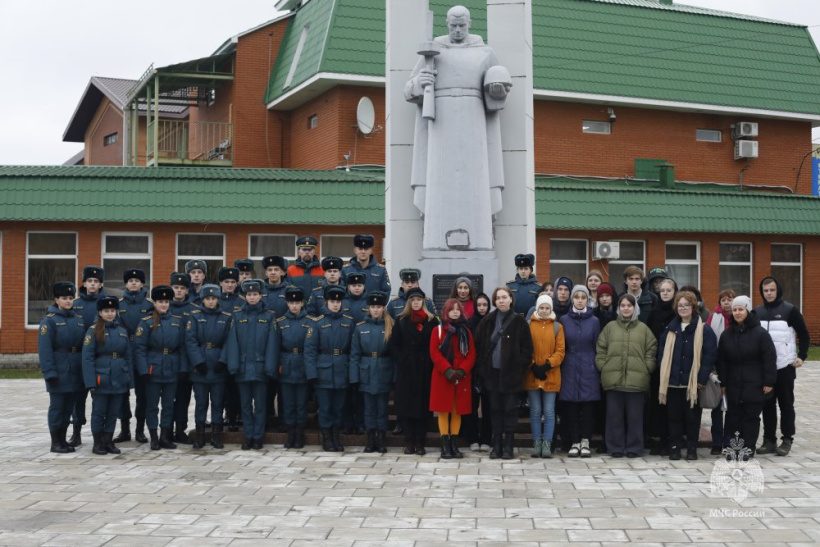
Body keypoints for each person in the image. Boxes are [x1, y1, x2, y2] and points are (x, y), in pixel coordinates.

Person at [405, 5, 510, 251]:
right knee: (439, 180)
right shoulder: (433, 51)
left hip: (474, 123)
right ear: (447, 24)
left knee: (476, 181)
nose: (458, 30)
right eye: (453, 25)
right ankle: (437, 238)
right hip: (440, 123)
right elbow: (408, 89)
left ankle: (478, 238)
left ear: (470, 24)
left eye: (462, 25)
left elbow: (499, 88)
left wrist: (496, 89)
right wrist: (421, 82)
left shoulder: (484, 52)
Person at [657, 290, 717, 461]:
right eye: (680, 305)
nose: (683, 308)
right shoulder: (670, 329)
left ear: (694, 307)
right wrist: (664, 370)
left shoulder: (704, 330)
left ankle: (692, 449)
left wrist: (701, 378)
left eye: (687, 305)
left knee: (692, 418)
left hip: (693, 385)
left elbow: (710, 356)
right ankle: (675, 448)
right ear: (676, 308)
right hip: (673, 383)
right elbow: (661, 352)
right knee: (673, 417)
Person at [474, 287, 534, 459]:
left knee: (509, 410)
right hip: (492, 375)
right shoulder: (487, 321)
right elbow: (479, 347)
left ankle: (508, 445)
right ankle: (497, 445)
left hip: (511, 376)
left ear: (510, 299)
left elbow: (527, 350)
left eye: (504, 297)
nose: (501, 300)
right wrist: (482, 370)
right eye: (498, 298)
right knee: (495, 410)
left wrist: (518, 367)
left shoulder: (519, 322)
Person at [595, 293, 656, 458]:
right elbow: (601, 349)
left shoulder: (643, 329)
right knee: (614, 417)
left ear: (634, 308)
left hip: (636, 382)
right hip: (613, 380)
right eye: (623, 305)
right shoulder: (610, 327)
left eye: (629, 305)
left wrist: (646, 367)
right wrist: (603, 366)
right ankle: (615, 447)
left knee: (635, 418)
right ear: (618, 308)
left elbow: (651, 350)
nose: (626, 308)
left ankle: (634, 448)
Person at [755, 276, 810, 457]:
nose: (769, 293)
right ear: (761, 292)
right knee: (767, 405)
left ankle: (787, 439)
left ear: (778, 290)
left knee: (786, 405)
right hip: (765, 368)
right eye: (765, 290)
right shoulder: (757, 312)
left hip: (785, 366)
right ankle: (769, 440)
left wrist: (802, 356)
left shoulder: (790, 310)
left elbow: (804, 334)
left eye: (772, 290)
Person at [716, 296, 777, 459]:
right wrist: (723, 381)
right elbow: (721, 360)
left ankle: (747, 449)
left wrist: (769, 381)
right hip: (733, 383)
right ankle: (731, 448)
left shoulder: (760, 333)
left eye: (740, 309)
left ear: (748, 311)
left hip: (755, 383)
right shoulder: (726, 335)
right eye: (734, 310)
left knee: (750, 418)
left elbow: (769, 358)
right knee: (732, 418)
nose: (737, 312)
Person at [223, 280, 278, 450]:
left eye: (255, 294)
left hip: (261, 369)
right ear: (245, 296)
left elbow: (272, 345)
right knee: (245, 406)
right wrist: (233, 366)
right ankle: (248, 436)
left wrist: (270, 367)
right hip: (243, 368)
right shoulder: (237, 316)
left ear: (261, 295)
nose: (252, 297)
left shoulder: (269, 316)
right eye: (249, 294)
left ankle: (258, 436)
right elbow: (232, 343)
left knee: (260, 406)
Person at [134, 286, 188, 451]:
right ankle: (154, 437)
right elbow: (139, 348)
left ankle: (165, 436)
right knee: (152, 405)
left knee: (168, 405)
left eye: (166, 301)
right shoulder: (146, 322)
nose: (163, 305)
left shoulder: (177, 322)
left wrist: (182, 368)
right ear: (154, 303)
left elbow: (182, 347)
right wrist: (143, 370)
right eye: (160, 302)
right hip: (153, 368)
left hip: (172, 368)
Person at [38, 281, 86, 453]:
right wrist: (49, 372)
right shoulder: (49, 322)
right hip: (59, 371)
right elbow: (45, 350)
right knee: (58, 407)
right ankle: (55, 441)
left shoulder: (78, 320)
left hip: (75, 370)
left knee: (69, 407)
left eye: (70, 298)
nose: (68, 301)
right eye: (64, 298)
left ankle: (64, 439)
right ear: (56, 300)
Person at [305, 285, 354, 452]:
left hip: (342, 369)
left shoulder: (348, 322)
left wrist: (352, 374)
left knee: (339, 408)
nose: (335, 304)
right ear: (326, 302)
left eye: (338, 301)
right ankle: (326, 438)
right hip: (323, 371)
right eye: (332, 301)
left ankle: (336, 436)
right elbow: (310, 351)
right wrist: (311, 373)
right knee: (325, 408)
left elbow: (353, 350)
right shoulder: (317, 323)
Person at [82, 296, 133, 455]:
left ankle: (108, 441)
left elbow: (128, 356)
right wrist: (91, 382)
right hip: (101, 379)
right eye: (106, 311)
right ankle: (98, 443)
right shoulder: (93, 331)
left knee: (113, 412)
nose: (110, 314)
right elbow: (87, 357)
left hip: (119, 378)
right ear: (100, 312)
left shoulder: (122, 332)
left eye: (112, 311)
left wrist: (129, 379)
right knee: (99, 411)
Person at [391, 287, 439, 455]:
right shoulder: (402, 320)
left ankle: (420, 443)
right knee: (407, 407)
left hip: (425, 369)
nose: (416, 302)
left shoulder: (432, 321)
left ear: (423, 301)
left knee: (423, 408)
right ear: (409, 302)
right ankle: (409, 442)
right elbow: (394, 344)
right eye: (413, 300)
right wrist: (402, 359)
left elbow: (437, 344)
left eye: (419, 299)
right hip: (407, 370)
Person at [184, 285, 232, 450]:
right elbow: (190, 341)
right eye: (207, 299)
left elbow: (229, 341)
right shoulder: (195, 316)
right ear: (202, 300)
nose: (210, 302)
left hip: (218, 365)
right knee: (201, 402)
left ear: (218, 299)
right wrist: (198, 362)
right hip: (201, 367)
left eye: (213, 298)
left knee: (218, 402)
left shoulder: (226, 317)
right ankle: (200, 436)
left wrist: (223, 360)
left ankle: (216, 436)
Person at [350, 291, 396, 453]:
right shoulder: (360, 328)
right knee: (369, 409)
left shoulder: (391, 326)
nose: (376, 310)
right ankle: (370, 440)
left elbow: (395, 354)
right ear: (368, 308)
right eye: (373, 307)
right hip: (366, 371)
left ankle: (381, 439)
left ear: (383, 308)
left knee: (382, 409)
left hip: (384, 370)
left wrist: (394, 376)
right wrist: (354, 377)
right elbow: (354, 354)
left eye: (379, 306)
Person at [558, 285, 601, 458]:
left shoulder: (594, 321)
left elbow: (597, 345)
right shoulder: (564, 320)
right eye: (577, 297)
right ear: (572, 299)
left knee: (588, 406)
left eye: (583, 297)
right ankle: (574, 441)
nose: (580, 300)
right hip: (569, 366)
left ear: (587, 300)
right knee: (572, 407)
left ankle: (585, 441)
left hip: (588, 366)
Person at [429, 298, 475, 459]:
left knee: (457, 411)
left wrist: (462, 370)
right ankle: (445, 444)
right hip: (443, 376)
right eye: (451, 309)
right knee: (443, 411)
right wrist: (448, 370)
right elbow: (434, 353)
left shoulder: (466, 331)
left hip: (460, 377)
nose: (455, 312)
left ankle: (454, 444)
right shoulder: (438, 330)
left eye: (457, 309)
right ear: (446, 312)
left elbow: (471, 354)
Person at [70, 265, 106, 447]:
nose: (92, 284)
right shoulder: (75, 304)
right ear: (84, 283)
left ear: (101, 284)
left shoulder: (107, 305)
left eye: (96, 282)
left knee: (99, 399)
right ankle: (76, 432)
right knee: (78, 398)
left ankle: (99, 435)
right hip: (78, 358)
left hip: (99, 358)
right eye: (89, 281)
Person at [526, 295, 565, 458]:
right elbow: (524, 347)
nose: (544, 311)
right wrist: (533, 365)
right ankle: (537, 442)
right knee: (535, 410)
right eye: (541, 307)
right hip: (532, 374)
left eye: (547, 308)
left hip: (551, 374)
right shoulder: (528, 325)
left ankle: (547, 444)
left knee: (549, 411)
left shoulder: (557, 327)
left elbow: (560, 350)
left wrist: (548, 365)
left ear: (551, 309)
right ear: (537, 308)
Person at [275, 286, 313, 449]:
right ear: (287, 304)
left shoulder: (310, 322)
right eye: (291, 303)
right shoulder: (280, 323)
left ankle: (300, 433)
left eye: (297, 302)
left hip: (303, 365)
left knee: (301, 403)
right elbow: (275, 347)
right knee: (288, 403)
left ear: (302, 303)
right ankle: (290, 433)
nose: (294, 306)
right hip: (287, 365)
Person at [169, 272, 198, 444]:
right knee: (166, 399)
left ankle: (180, 429)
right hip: (167, 361)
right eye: (176, 288)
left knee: (183, 398)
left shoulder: (194, 310)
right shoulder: (163, 307)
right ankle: (166, 429)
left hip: (186, 362)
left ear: (187, 291)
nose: (178, 291)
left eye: (182, 288)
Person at [706, 288, 735, 455]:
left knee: (731, 408)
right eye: (723, 299)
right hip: (717, 366)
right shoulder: (713, 317)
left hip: (733, 368)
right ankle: (716, 442)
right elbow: (709, 337)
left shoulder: (738, 317)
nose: (726, 302)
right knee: (716, 408)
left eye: (729, 299)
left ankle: (729, 440)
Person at [465, 292, 492, 451]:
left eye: (485, 305)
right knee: (471, 407)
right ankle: (472, 438)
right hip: (473, 371)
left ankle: (487, 439)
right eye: (479, 305)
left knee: (488, 407)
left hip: (489, 371)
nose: (482, 308)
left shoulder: (493, 321)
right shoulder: (469, 324)